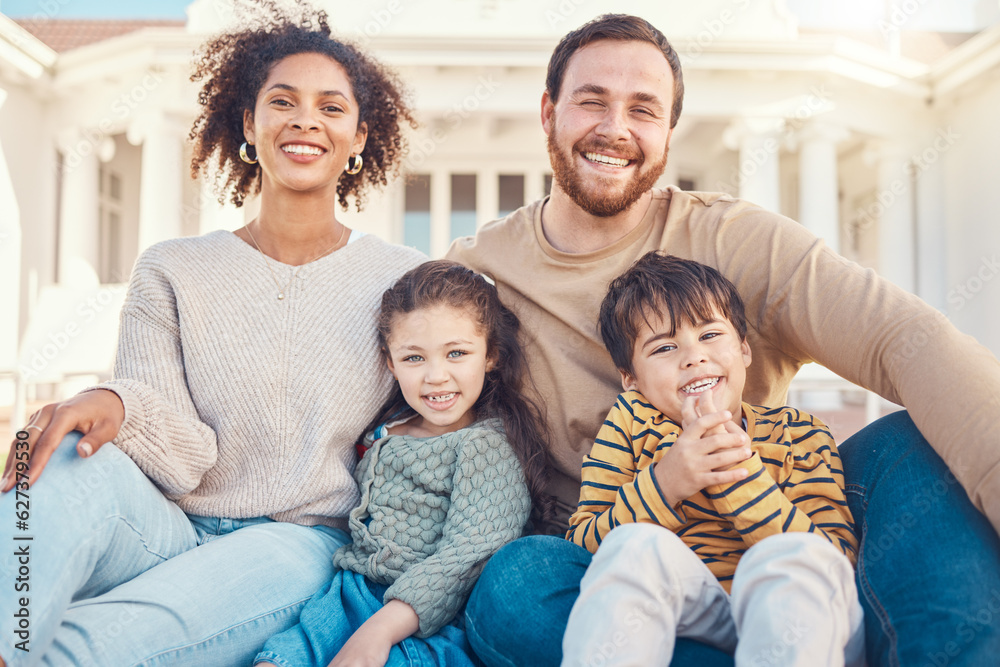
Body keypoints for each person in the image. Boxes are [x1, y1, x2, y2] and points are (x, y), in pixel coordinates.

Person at [447, 12, 1000, 667]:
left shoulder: (735, 238)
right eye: (591, 101)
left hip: (784, 551)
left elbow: (903, 338)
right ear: (549, 113)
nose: (614, 128)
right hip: (619, 575)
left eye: (643, 109)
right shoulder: (480, 272)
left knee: (915, 442)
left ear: (669, 132)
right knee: (517, 584)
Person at [0, 3, 426, 665]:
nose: (305, 119)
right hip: (167, 523)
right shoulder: (172, 268)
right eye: (282, 101)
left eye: (331, 107)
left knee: (89, 645)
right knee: (53, 460)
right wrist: (115, 404)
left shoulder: (405, 281)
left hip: (296, 543)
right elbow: (180, 453)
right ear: (250, 125)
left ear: (361, 137)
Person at [561, 252, 864, 666]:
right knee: (633, 547)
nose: (693, 357)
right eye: (664, 347)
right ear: (631, 379)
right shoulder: (631, 422)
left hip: (794, 620)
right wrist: (666, 482)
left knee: (796, 557)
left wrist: (737, 476)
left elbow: (837, 560)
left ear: (743, 350)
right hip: (697, 613)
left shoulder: (800, 432)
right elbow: (582, 546)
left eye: (709, 336)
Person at [255, 260, 552, 667]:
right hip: (347, 596)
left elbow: (469, 554)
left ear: (491, 355)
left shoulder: (486, 446)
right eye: (414, 358)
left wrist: (380, 630)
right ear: (390, 362)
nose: (436, 376)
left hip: (427, 618)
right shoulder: (383, 430)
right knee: (275, 660)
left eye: (457, 353)